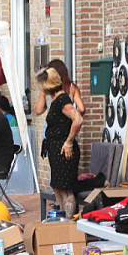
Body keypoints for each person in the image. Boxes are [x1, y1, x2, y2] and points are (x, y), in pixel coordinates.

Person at [34, 67, 84, 218]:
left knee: (66, 190)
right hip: (56, 150)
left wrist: (69, 142)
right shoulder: (56, 99)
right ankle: (60, 221)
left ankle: (68, 224)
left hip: (64, 151)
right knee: (57, 187)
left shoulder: (62, 99)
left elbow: (78, 119)